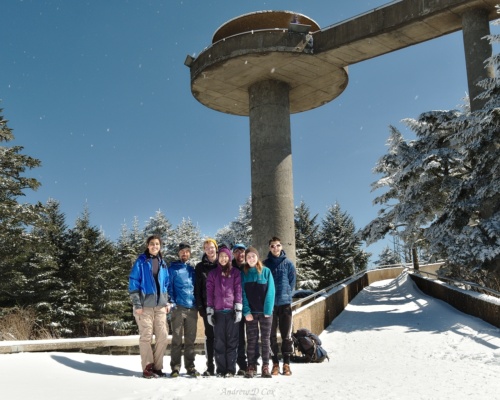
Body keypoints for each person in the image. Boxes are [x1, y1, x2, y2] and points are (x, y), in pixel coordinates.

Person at [129, 235, 171, 378]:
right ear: (148, 245)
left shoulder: (163, 263)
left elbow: (166, 284)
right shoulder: (141, 261)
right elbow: (133, 282)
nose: (154, 246)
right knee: (146, 336)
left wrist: (167, 301)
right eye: (152, 244)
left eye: (157, 244)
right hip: (144, 306)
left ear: (160, 246)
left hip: (160, 306)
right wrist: (137, 303)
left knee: (163, 336)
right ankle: (148, 367)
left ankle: (157, 367)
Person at [206, 246, 242, 377]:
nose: (223, 258)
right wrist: (210, 310)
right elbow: (209, 293)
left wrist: (238, 308)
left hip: (231, 311)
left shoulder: (235, 273)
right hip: (218, 312)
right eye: (221, 256)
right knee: (219, 342)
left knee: (232, 342)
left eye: (226, 256)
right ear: (218, 257)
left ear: (230, 257)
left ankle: (231, 370)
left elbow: (238, 290)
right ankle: (221, 369)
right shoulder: (212, 274)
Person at [263, 236, 297, 376]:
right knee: (271, 336)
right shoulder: (265, 265)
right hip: (270, 305)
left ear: (281, 246)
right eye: (272, 246)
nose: (275, 248)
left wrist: (287, 295)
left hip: (285, 304)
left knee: (286, 335)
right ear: (269, 248)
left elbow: (292, 282)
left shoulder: (288, 264)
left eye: (277, 245)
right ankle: (275, 363)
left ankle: (287, 363)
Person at [241, 246, 275, 378]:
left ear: (257, 257)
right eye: (248, 257)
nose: (251, 259)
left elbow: (271, 291)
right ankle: (251, 365)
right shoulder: (244, 273)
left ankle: (265, 366)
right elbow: (242, 294)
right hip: (251, 313)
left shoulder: (266, 271)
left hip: (265, 313)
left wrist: (268, 310)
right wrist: (246, 311)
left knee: (265, 340)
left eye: (253, 256)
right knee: (251, 340)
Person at [168, 243, 200, 377]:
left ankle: (190, 366)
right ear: (178, 253)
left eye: (187, 251)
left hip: (192, 308)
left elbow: (197, 288)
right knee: (176, 340)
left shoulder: (193, 270)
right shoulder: (172, 269)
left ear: (190, 253)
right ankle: (175, 367)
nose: (184, 254)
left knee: (190, 340)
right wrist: (172, 302)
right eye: (182, 251)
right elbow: (169, 287)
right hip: (178, 308)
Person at [194, 238, 219, 376]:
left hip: (222, 307)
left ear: (216, 248)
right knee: (210, 337)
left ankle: (222, 364)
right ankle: (210, 366)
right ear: (204, 250)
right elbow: (197, 289)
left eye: (212, 247)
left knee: (221, 337)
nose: (210, 250)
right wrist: (200, 307)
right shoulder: (200, 267)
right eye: (207, 248)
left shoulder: (223, 263)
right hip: (207, 307)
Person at [232, 243, 249, 375]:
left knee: (252, 335)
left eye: (242, 251)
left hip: (249, 306)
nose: (240, 254)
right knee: (238, 338)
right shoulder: (229, 267)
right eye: (237, 252)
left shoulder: (250, 266)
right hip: (234, 307)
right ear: (233, 254)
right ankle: (242, 364)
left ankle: (252, 362)